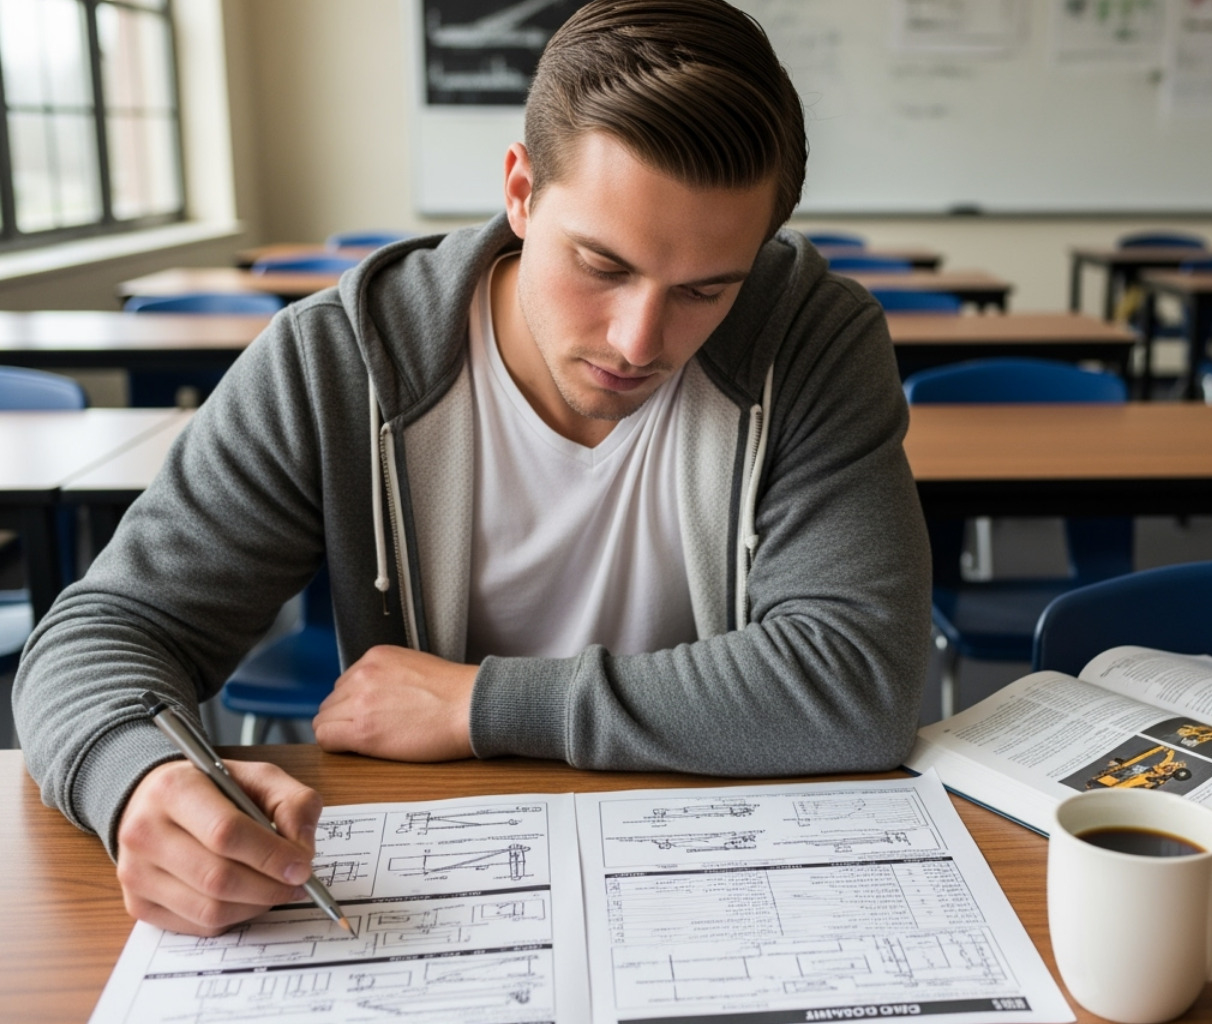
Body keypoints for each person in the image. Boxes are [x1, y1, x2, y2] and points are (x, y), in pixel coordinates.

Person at [13, 0, 930, 936]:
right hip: (445, 890)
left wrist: (482, 703)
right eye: (601, 265)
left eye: (705, 290)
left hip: (723, 869)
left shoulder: (810, 338)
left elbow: (860, 680)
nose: (639, 341)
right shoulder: (336, 362)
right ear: (522, 192)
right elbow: (106, 632)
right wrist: (136, 781)